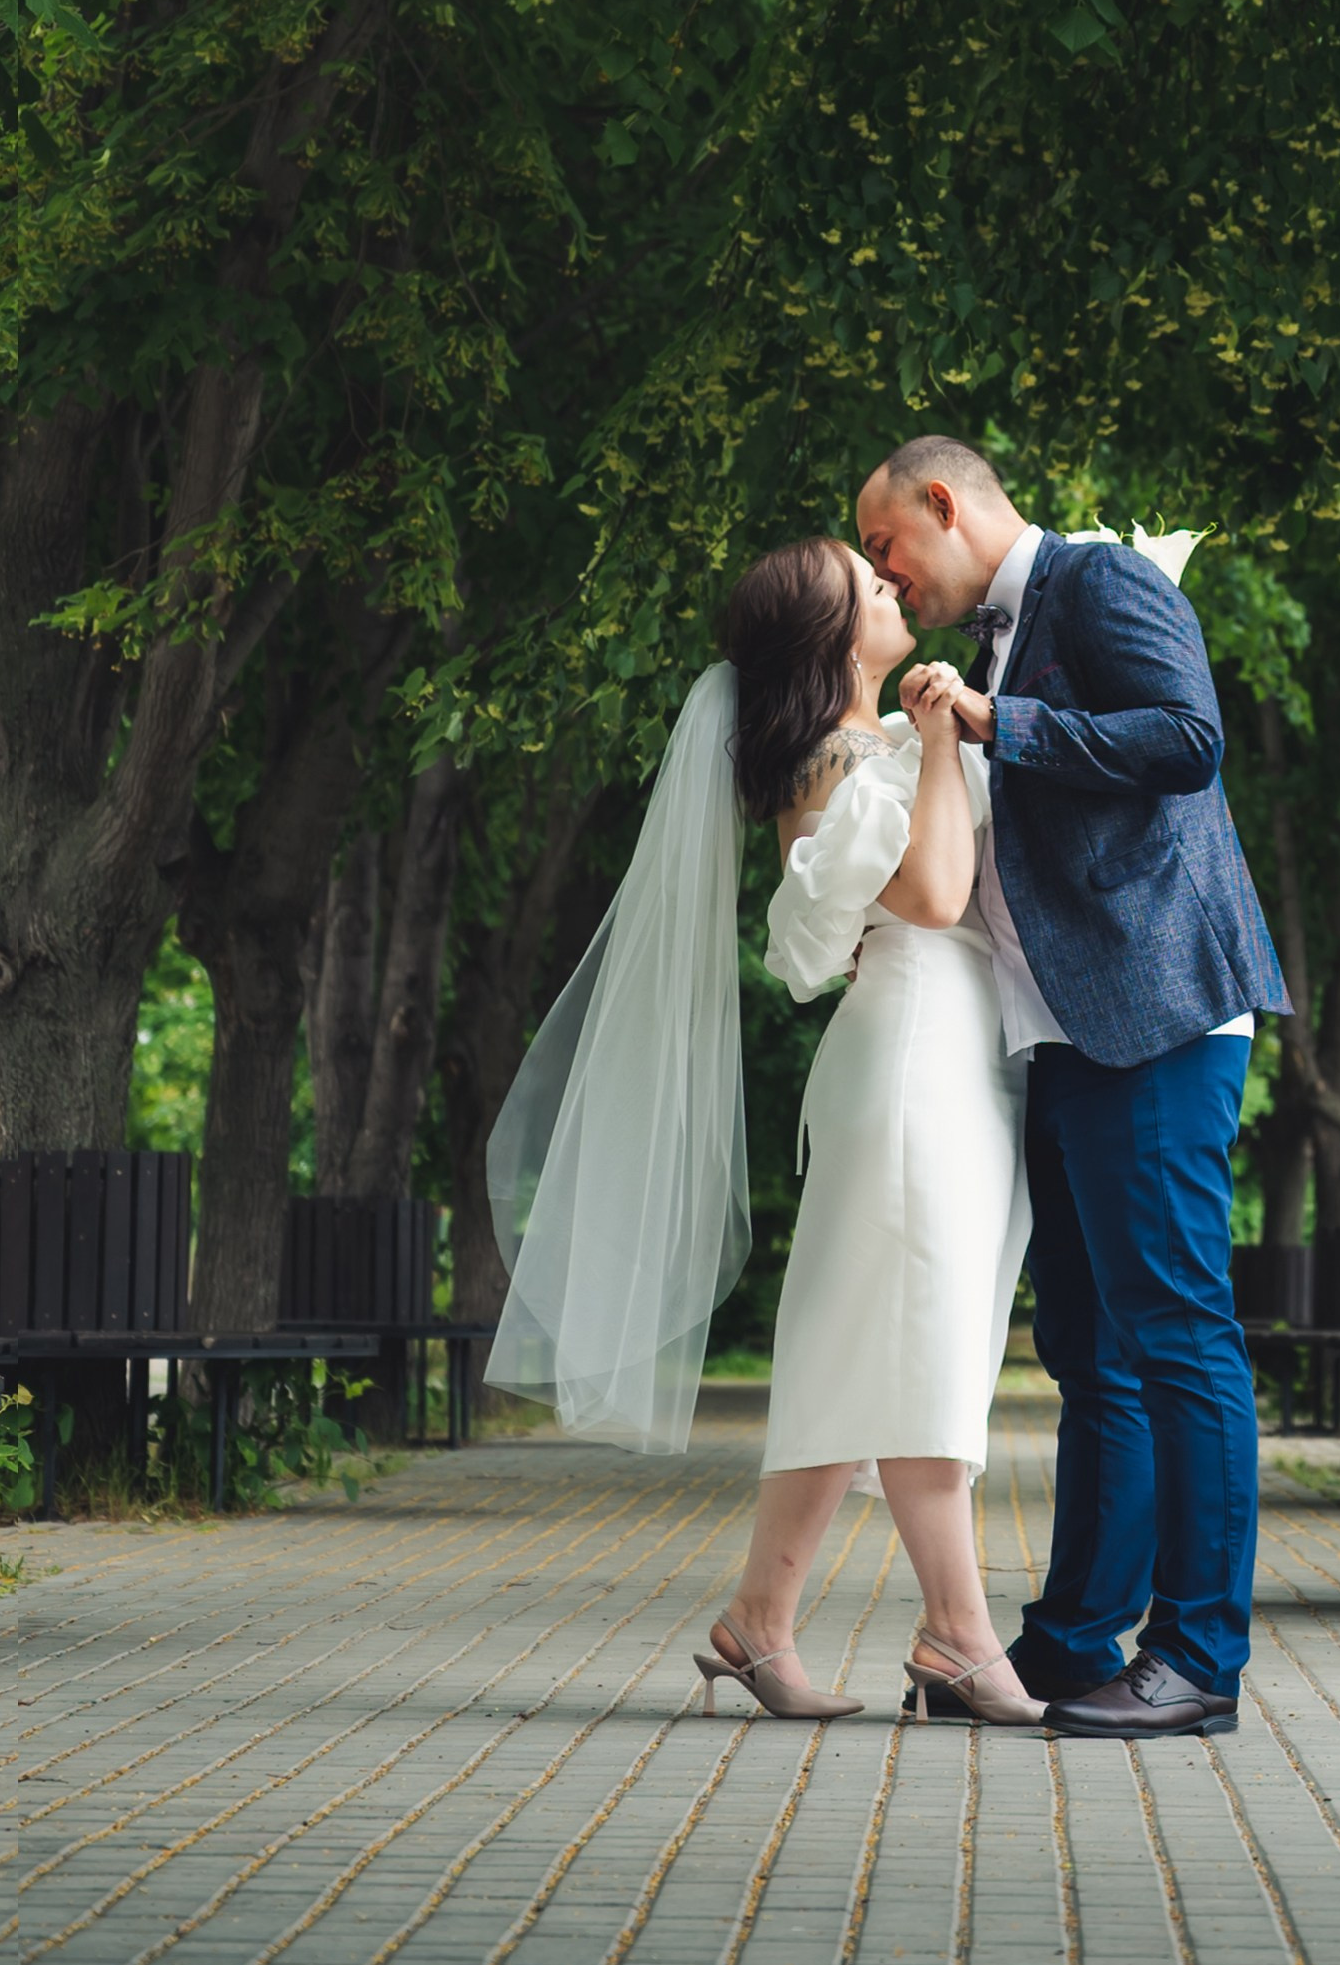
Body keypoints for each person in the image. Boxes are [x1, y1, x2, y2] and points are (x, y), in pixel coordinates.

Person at [485, 535, 1041, 1729]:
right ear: (838, 639)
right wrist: (944, 734)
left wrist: (939, 733)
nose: (894, 591)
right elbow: (938, 895)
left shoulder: (872, 745)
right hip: (909, 1070)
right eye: (872, 587)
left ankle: (760, 1623)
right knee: (918, 1355)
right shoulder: (844, 756)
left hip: (943, 1060)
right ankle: (957, 1634)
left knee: (860, 1351)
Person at [858, 437, 1289, 1742]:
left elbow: (1187, 739)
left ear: (944, 504)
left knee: (1175, 1332)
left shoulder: (1096, 582)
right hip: (1070, 1033)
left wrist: (1003, 722)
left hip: (1157, 1013)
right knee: (1093, 1351)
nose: (887, 574)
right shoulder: (999, 625)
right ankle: (1071, 1640)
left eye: (887, 547)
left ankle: (1200, 1658)